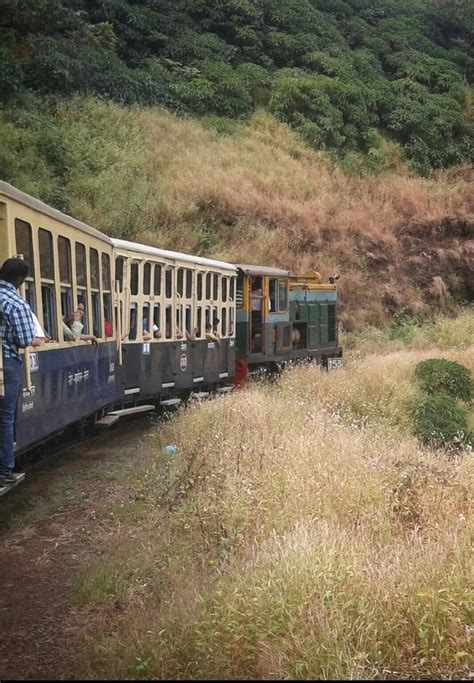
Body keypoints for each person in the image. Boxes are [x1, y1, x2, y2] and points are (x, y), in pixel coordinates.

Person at [0, 258, 36, 485]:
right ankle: (4, 470)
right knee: (5, 416)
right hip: (6, 363)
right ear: (20, 280)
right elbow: (24, 340)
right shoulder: (17, 303)